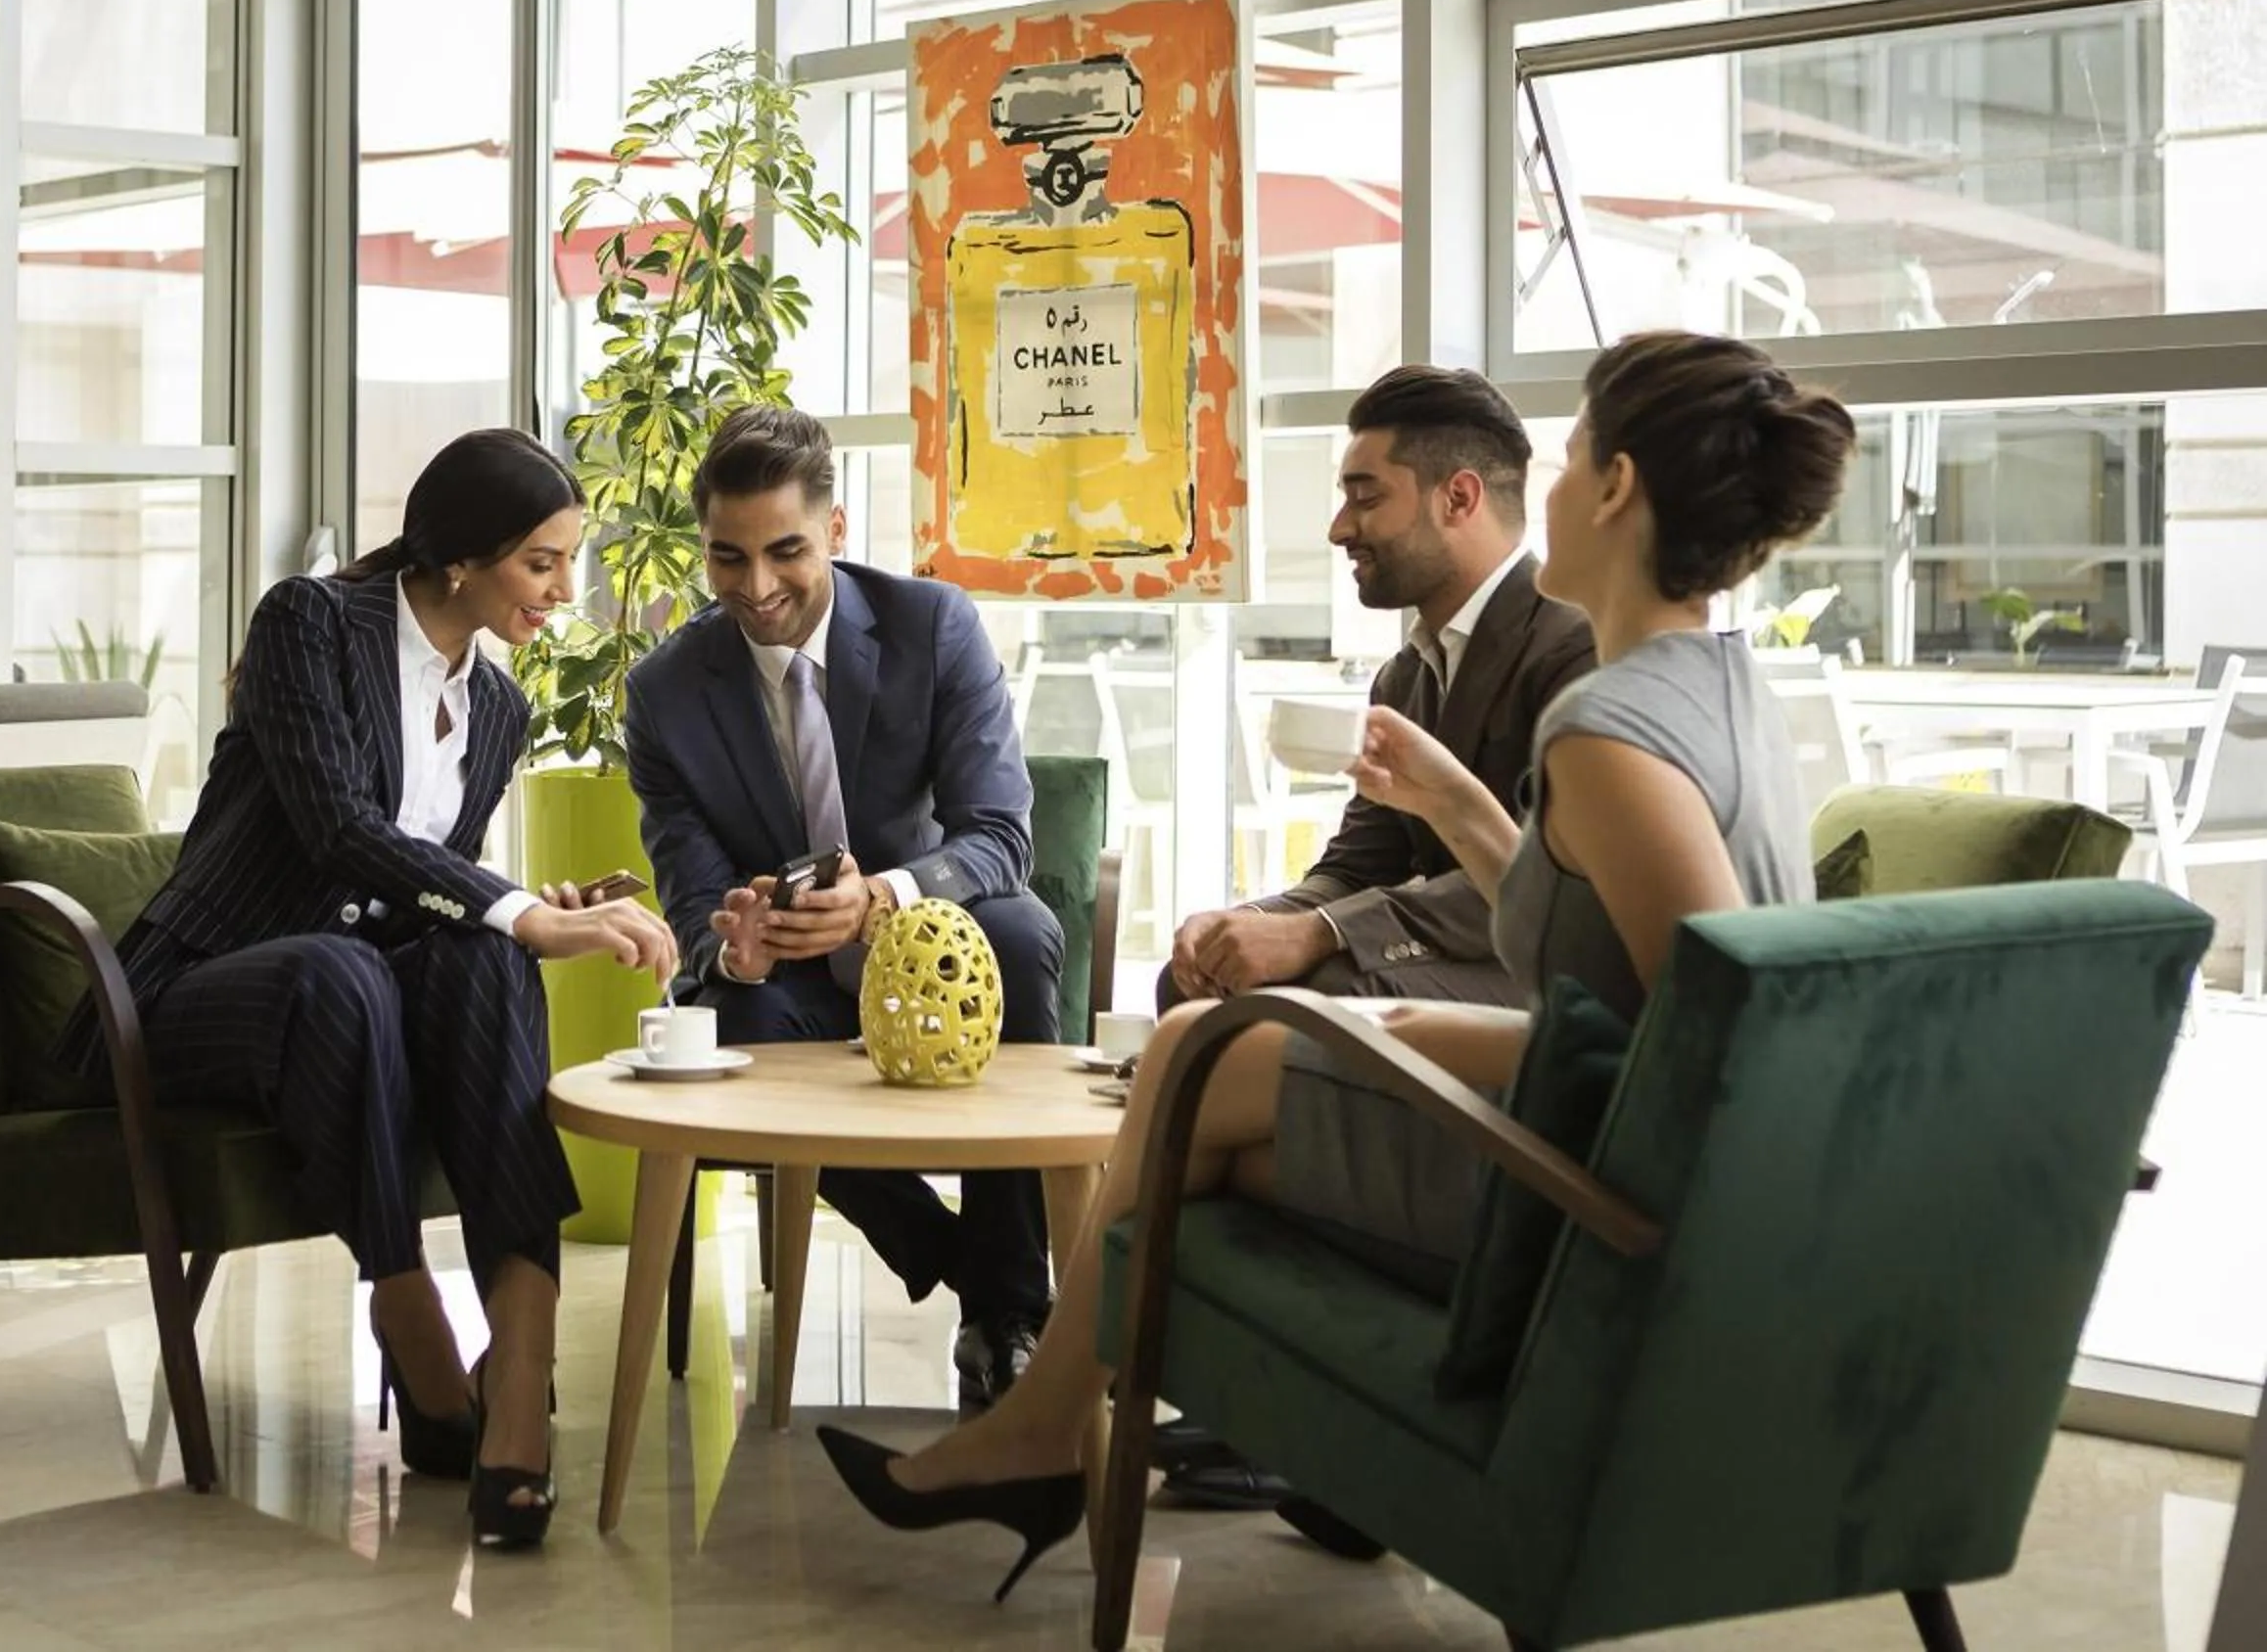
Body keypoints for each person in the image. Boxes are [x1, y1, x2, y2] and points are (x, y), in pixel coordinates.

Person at [815, 332, 1854, 1599]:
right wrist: (1448, 818)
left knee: (1192, 1098)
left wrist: (1407, 1018)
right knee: (1198, 1082)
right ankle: (1188, 1433)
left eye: (1574, 454)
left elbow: (1707, 1048)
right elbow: (1621, 973)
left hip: (1592, 1199)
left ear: (1619, 487)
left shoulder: (1607, 723)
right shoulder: (1720, 687)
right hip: (1591, 1125)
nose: (1553, 482)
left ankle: (1041, 1433)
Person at [93, 428, 676, 1549]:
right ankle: (411, 1319)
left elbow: (425, 893)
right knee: (353, 964)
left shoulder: (498, 710)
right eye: (542, 563)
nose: (567, 591)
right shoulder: (308, 623)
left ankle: (520, 1376)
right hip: (199, 992)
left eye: (571, 562)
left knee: (485, 957)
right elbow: (339, 831)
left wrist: (523, 912)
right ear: (461, 556)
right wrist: (520, 907)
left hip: (353, 1003)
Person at [1153, 365, 1593, 1508]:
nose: (1339, 527)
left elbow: (1535, 886)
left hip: (1525, 985)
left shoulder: (1570, 649)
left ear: (1458, 498)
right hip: (1439, 968)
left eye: (1363, 494)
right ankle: (1270, 1381)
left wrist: (1315, 942)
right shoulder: (1410, 667)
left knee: (1276, 1015)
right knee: (1195, 984)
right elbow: (1360, 860)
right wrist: (1255, 922)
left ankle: (1281, 1399)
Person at [625, 404, 1062, 1406]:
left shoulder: (932, 626)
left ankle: (1007, 1319)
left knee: (1020, 931)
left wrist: (882, 899)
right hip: (787, 986)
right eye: (728, 559)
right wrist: (734, 945)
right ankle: (977, 1274)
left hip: (929, 958)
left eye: (786, 551)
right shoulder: (665, 693)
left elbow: (1001, 835)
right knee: (728, 1018)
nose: (757, 587)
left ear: (836, 529)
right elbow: (692, 902)